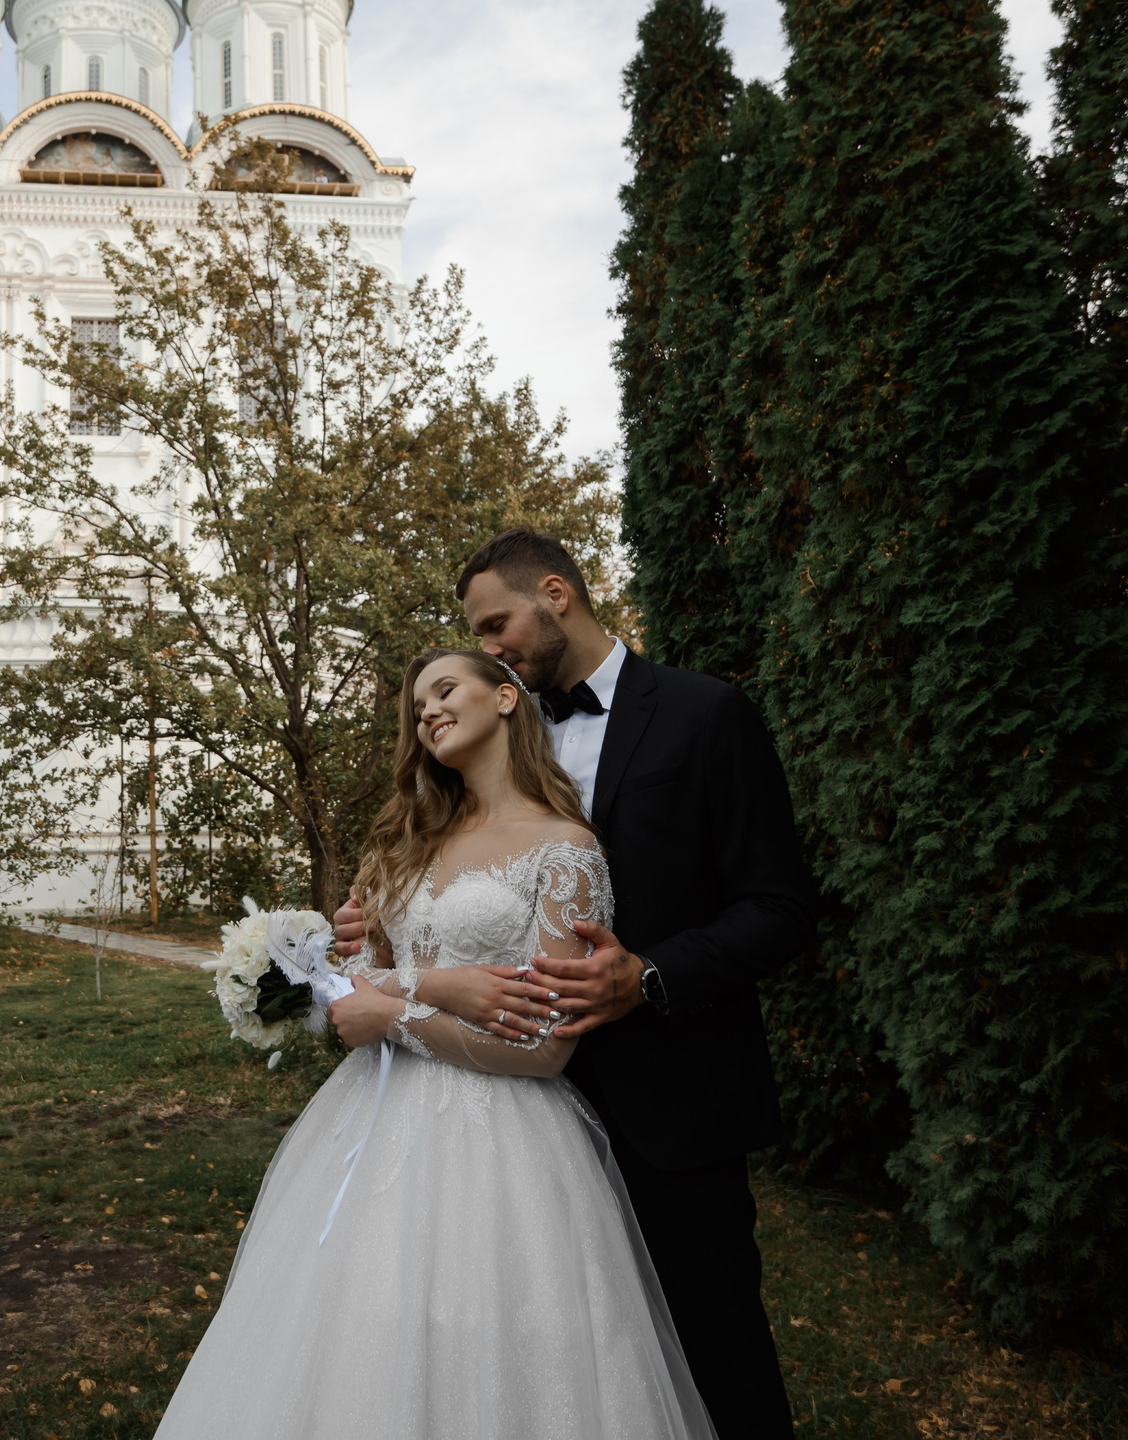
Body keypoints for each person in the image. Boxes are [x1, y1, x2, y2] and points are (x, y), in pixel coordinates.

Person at [155, 648, 711, 1440]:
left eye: (444, 690)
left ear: (507, 699)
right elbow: (350, 990)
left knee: (491, 1338)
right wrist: (437, 989)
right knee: (354, 1327)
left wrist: (391, 1009)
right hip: (370, 1119)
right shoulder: (405, 839)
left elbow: (547, 1048)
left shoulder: (566, 849)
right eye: (417, 706)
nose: (427, 712)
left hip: (508, 1138)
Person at [335, 530, 815, 1440]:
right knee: (530, 1354)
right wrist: (383, 926)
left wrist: (654, 974)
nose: (490, 647)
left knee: (713, 1345)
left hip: (667, 1097)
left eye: (497, 624)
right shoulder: (486, 741)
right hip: (502, 1118)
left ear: (557, 591)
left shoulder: (706, 715)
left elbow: (781, 905)